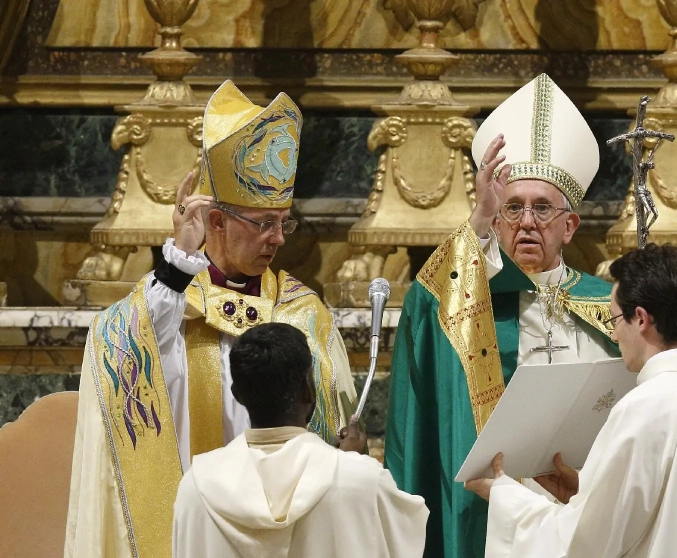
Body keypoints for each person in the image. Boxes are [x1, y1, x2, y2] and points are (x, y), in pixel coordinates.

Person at [65, 81, 364, 558]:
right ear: (217, 221)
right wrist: (179, 260)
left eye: (283, 221)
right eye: (263, 222)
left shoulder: (305, 313)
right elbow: (124, 341)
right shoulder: (176, 306)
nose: (278, 238)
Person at [385, 72, 620, 558]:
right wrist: (476, 219)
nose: (527, 223)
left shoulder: (610, 306)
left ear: (570, 225)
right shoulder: (473, 301)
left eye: (543, 209)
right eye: (511, 210)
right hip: (495, 522)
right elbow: (425, 308)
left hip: (587, 515)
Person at [466, 244, 677, 558]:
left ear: (640, 319)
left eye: (615, 320)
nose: (613, 335)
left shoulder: (644, 408)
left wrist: (505, 496)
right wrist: (587, 494)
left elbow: (580, 546)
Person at [172, 322, 429, 557]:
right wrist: (350, 462)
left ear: (237, 395)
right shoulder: (361, 480)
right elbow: (407, 535)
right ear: (308, 390)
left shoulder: (196, 486)